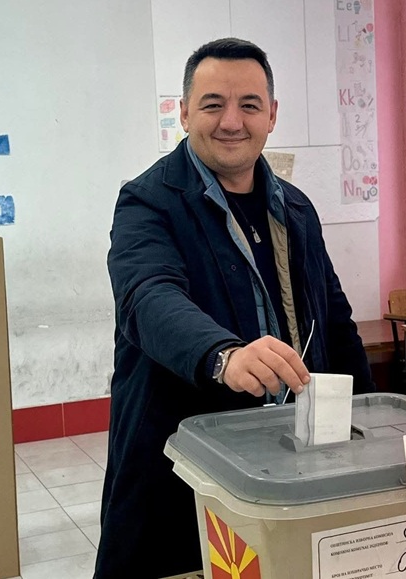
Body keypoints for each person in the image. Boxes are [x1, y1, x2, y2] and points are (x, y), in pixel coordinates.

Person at [95, 37, 374, 578]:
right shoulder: (147, 201)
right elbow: (147, 296)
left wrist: (370, 418)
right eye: (212, 104)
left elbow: (334, 321)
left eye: (249, 105)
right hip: (183, 461)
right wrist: (224, 355)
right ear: (183, 113)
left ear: (271, 115)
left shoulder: (295, 208)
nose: (231, 121)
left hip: (293, 458)